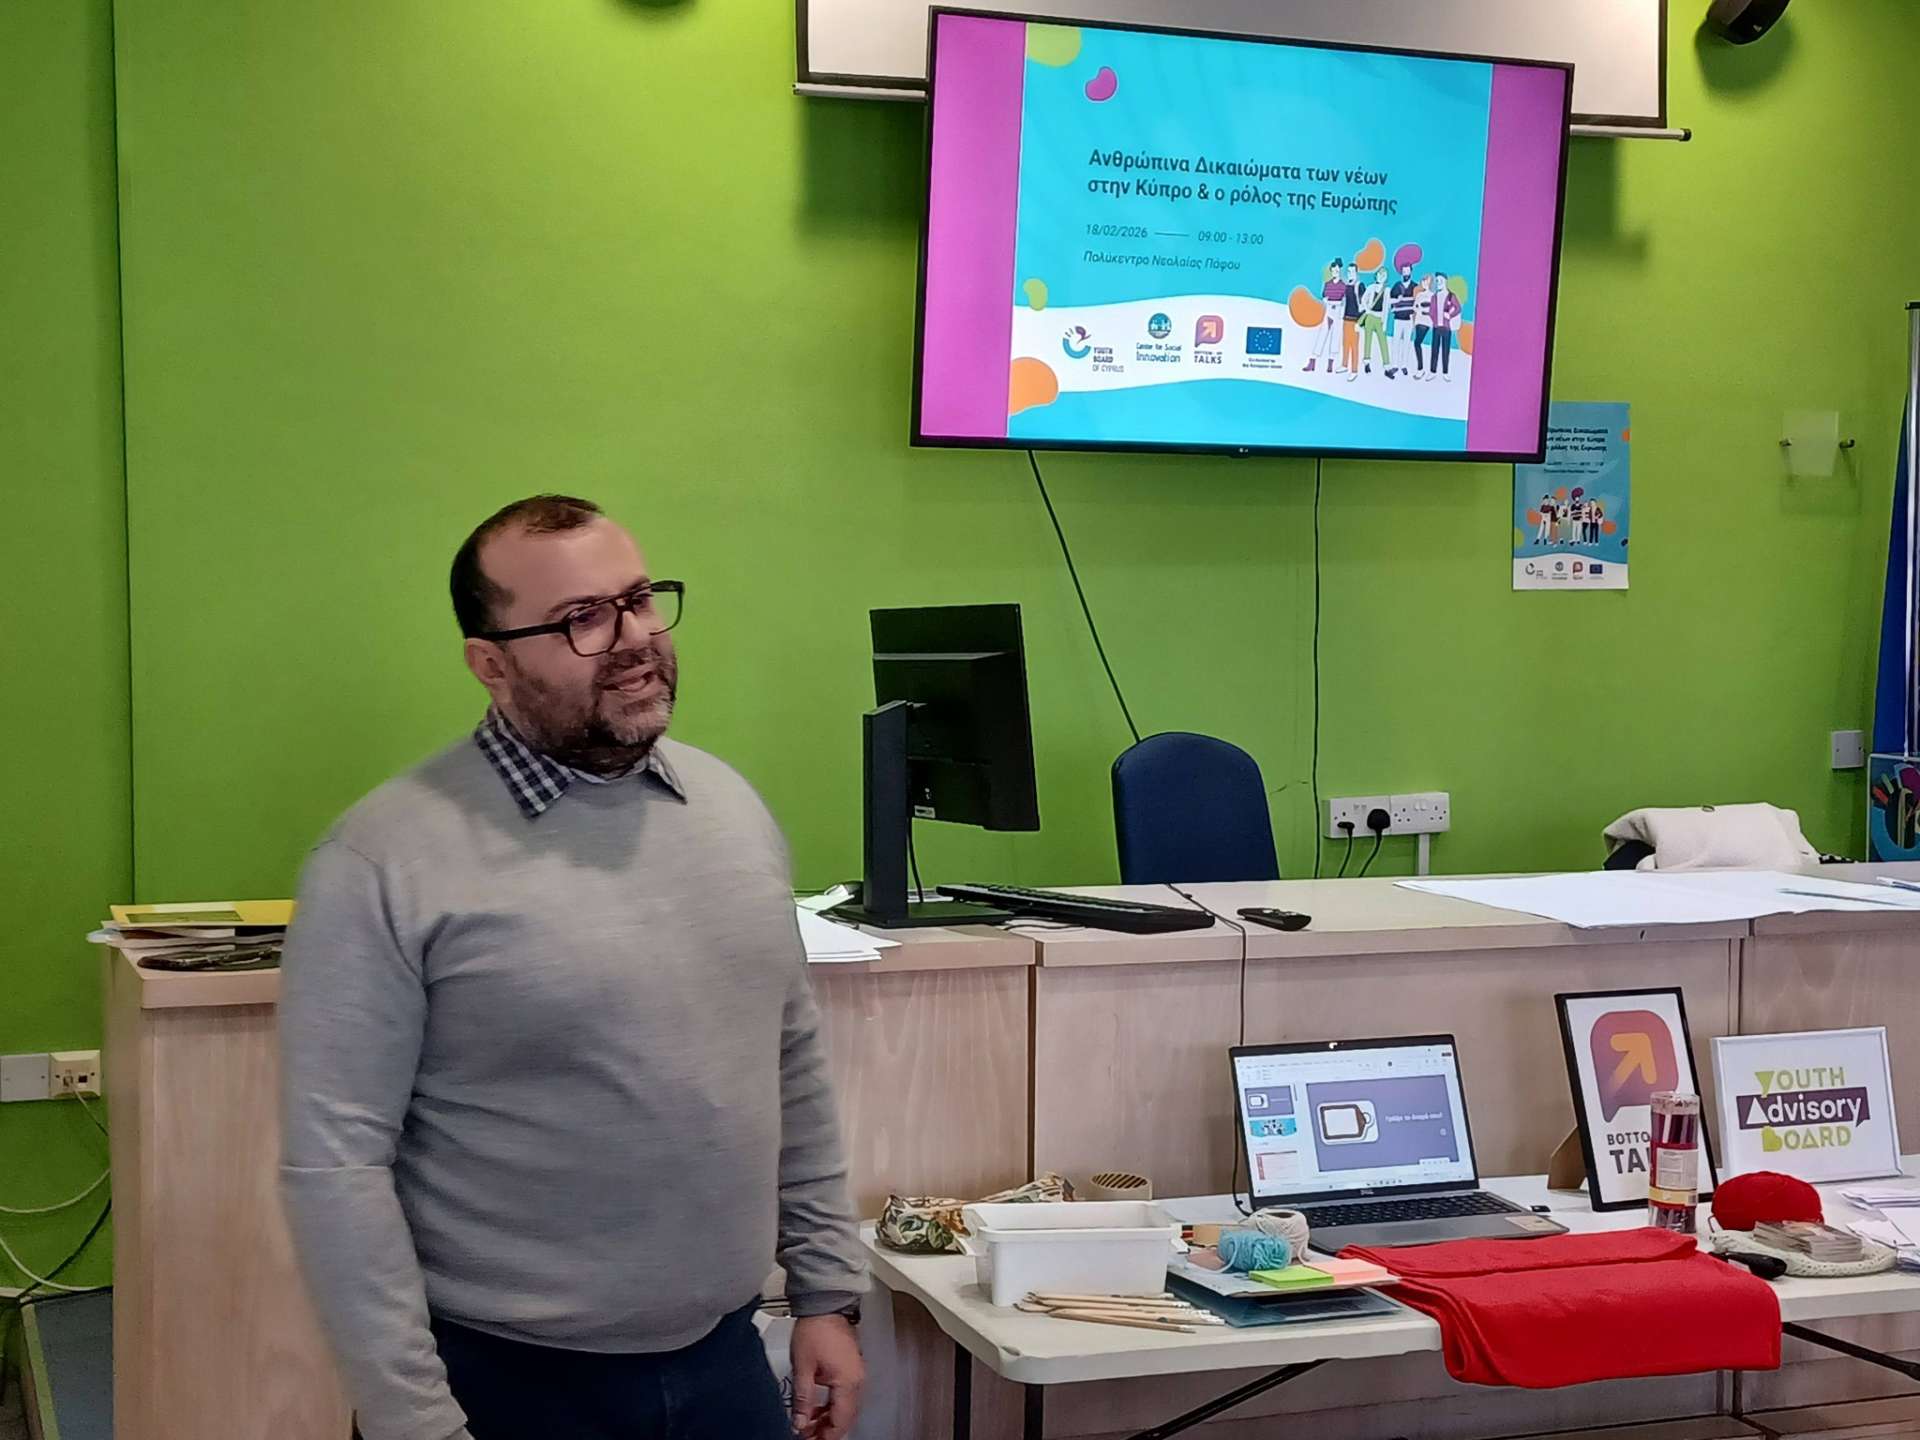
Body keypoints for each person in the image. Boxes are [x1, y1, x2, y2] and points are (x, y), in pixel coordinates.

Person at [279, 495, 867, 1440]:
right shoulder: (380, 860)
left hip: (725, 1364)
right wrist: (412, 1421)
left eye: (638, 599)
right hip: (502, 1383)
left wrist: (827, 1294)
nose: (633, 638)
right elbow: (336, 1166)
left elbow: (790, 1060)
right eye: (582, 618)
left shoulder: (730, 810)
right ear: (490, 663)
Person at [1307, 258, 1344, 373]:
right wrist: (1328, 301)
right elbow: (1324, 297)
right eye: (1333, 271)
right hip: (1328, 311)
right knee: (1322, 335)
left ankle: (1330, 364)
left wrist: (1336, 303)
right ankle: (1312, 362)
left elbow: (1343, 301)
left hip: (1338, 312)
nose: (1335, 273)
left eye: (1337, 271)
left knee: (1335, 338)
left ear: (1339, 271)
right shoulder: (1327, 284)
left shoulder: (1343, 286)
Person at [1387, 264, 1420, 379]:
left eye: (1407, 271)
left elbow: (1418, 303)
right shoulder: (1396, 286)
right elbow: (1390, 301)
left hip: (1409, 319)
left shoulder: (1415, 287)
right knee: (1395, 342)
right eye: (1403, 271)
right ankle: (1395, 365)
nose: (1405, 273)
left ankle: (1404, 365)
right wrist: (1396, 301)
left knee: (1406, 343)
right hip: (1398, 318)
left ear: (1411, 272)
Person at [1426, 274, 1461, 380]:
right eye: (1437, 280)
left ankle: (1445, 372)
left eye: (1440, 280)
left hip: (1446, 327)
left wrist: (1450, 315)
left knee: (1446, 350)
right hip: (1436, 327)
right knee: (1434, 349)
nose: (1438, 282)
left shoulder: (1451, 296)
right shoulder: (1434, 297)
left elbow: (1458, 308)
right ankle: (1432, 371)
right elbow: (1431, 312)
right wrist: (1435, 321)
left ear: (1445, 281)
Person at [1360, 266, 1391, 376]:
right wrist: (1367, 309)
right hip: (1370, 317)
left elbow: (1386, 307)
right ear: (1376, 275)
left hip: (1379, 318)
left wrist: (1385, 322)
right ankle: (1367, 363)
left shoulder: (1387, 290)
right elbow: (1363, 299)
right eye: (1379, 274)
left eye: (1384, 275)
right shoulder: (1371, 287)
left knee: (1383, 342)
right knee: (1367, 340)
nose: (1381, 277)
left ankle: (1387, 366)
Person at [1341, 263, 1363, 379]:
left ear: (1356, 273)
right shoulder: (1346, 286)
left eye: (1352, 272)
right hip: (1346, 318)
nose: (1350, 274)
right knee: (1345, 343)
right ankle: (1344, 365)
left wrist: (1360, 322)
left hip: (1355, 320)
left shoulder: (1359, 285)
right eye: (1348, 272)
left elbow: (1363, 305)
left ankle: (1354, 370)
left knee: (1354, 346)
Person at [1409, 276, 1433, 381]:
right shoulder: (1419, 295)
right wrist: (1418, 309)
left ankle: (1421, 369)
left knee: (1417, 342)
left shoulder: (1432, 296)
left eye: (1426, 282)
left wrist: (1426, 311)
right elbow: (1414, 306)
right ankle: (1420, 368)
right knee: (1417, 343)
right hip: (1419, 320)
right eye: (1423, 282)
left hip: (1426, 321)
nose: (1424, 284)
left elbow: (1434, 310)